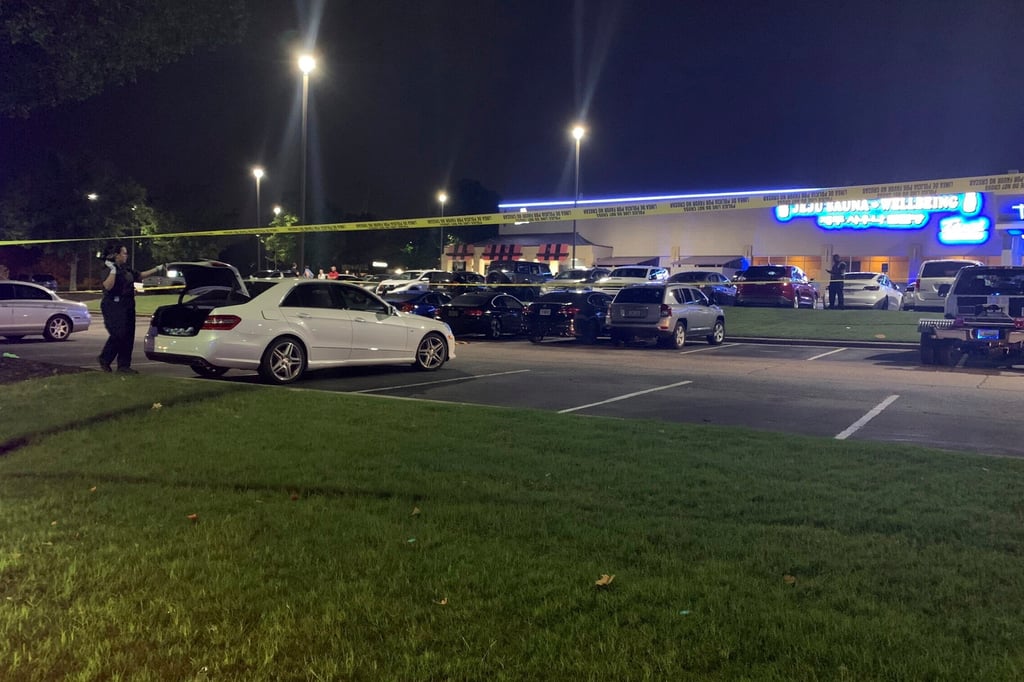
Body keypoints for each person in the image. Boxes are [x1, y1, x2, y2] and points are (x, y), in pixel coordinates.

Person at [98, 242, 164, 373]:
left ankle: (124, 366)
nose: (126, 255)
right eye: (124, 253)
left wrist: (157, 269)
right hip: (113, 305)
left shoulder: (126, 269)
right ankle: (105, 359)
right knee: (118, 333)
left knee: (128, 335)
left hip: (127, 304)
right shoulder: (108, 269)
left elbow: (140, 275)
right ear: (116, 255)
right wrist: (113, 270)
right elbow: (108, 286)